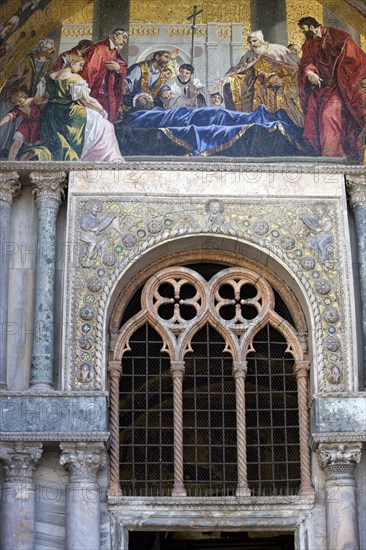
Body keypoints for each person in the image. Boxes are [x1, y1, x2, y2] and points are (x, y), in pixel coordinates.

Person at [30, 54, 123, 161]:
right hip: (70, 114)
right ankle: (105, 157)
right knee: (106, 125)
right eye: (80, 65)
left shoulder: (46, 79)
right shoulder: (74, 78)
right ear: (72, 63)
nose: (81, 68)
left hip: (50, 114)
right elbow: (87, 101)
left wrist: (52, 99)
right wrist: (101, 110)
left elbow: (37, 100)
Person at [297, 16, 366, 157]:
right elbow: (307, 61)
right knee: (312, 116)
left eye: (304, 30)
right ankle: (325, 155)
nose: (303, 33)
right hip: (322, 87)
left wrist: (342, 78)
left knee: (329, 115)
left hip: (340, 86)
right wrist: (309, 72)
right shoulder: (310, 43)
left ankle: (334, 155)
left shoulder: (338, 36)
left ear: (312, 26)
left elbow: (354, 59)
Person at [223, 30, 303, 127]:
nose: (253, 44)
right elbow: (243, 73)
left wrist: (285, 81)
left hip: (280, 92)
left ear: (261, 40)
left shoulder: (277, 50)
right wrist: (229, 79)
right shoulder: (250, 55)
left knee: (282, 121)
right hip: (260, 94)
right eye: (250, 42)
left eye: (255, 41)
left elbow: (298, 70)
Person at [79, 28, 128, 123]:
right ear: (116, 35)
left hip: (108, 92)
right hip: (97, 93)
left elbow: (123, 66)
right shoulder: (98, 49)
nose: (125, 41)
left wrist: (119, 68)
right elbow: (88, 73)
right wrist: (85, 95)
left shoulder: (114, 50)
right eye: (124, 37)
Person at [0, 90, 42, 159]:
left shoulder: (34, 101)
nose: (19, 104)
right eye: (16, 103)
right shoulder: (19, 108)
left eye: (19, 101)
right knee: (16, 143)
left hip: (37, 126)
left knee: (35, 146)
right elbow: (9, 116)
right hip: (25, 126)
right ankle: (10, 161)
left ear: (24, 97)